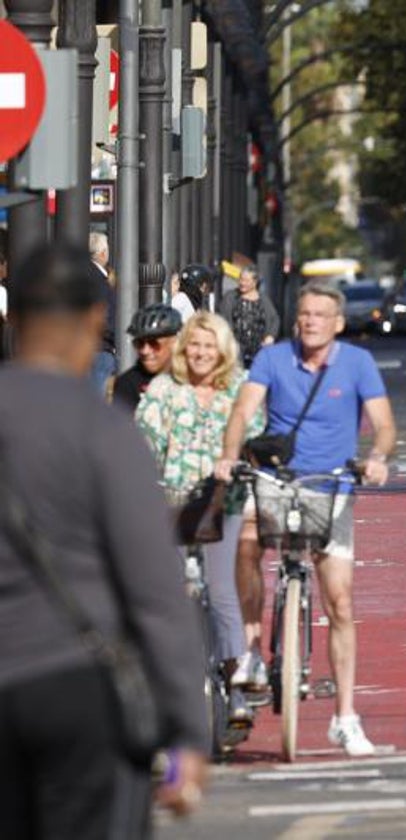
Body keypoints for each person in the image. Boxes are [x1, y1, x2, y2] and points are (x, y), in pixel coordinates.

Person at [0, 243, 207, 837]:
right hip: (78, 686)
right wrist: (189, 731)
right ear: (96, 319)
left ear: (14, 318)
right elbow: (153, 587)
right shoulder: (104, 431)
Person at [215, 280, 395, 757]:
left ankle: (345, 717)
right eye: (305, 313)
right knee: (248, 538)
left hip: (331, 486)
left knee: (339, 601)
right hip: (278, 478)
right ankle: (253, 652)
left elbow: (384, 424)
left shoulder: (358, 363)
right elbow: (242, 411)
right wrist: (230, 456)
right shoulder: (273, 360)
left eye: (321, 314)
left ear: (338, 323)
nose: (311, 321)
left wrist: (377, 457)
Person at [136, 311, 261, 728]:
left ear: (222, 350)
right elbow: (145, 441)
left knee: (223, 590)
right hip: (173, 504)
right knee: (176, 595)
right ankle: (172, 688)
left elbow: (255, 428)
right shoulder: (164, 389)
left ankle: (236, 684)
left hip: (221, 505)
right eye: (194, 345)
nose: (201, 353)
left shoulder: (237, 390)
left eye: (209, 346)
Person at [112, 303, 184, 412]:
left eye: (153, 343)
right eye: (139, 343)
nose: (145, 351)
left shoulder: (190, 378)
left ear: (173, 342)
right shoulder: (126, 384)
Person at [218, 265, 279, 368]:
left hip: (258, 349)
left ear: (255, 282)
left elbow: (274, 319)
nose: (242, 283)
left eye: (246, 280)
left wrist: (270, 336)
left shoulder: (263, 300)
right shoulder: (231, 297)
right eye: (241, 279)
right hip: (236, 349)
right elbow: (223, 319)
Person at [87, 231, 118, 396]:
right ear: (103, 253)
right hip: (101, 348)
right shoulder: (99, 281)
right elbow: (105, 317)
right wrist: (115, 336)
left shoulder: (84, 276)